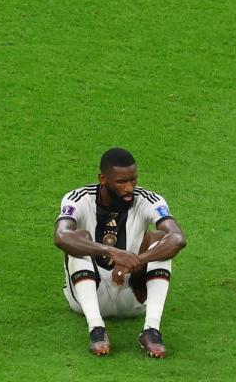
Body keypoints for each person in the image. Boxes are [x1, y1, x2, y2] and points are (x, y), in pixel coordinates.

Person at [53, 148, 187, 357]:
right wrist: (112, 252)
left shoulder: (148, 199)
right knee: (79, 239)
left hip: (132, 296)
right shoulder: (78, 198)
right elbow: (61, 237)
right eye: (121, 182)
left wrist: (136, 260)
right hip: (88, 296)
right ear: (103, 179)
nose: (129, 188)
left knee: (160, 241)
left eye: (133, 180)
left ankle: (152, 329)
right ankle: (96, 328)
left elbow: (178, 239)